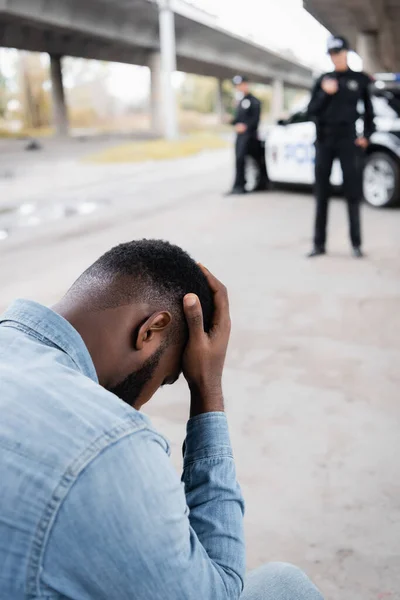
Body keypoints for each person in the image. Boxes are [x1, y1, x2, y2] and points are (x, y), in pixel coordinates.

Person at [0, 239, 324, 600]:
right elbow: (219, 593)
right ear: (151, 330)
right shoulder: (110, 444)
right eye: (169, 377)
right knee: (284, 584)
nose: (149, 397)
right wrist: (207, 391)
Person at [307, 35, 375, 258]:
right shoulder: (322, 79)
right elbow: (311, 111)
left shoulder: (360, 80)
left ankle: (356, 244)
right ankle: (319, 244)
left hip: (348, 140)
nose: (336, 57)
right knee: (321, 194)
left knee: (352, 192)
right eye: (332, 53)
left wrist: (366, 135)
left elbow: (369, 111)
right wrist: (325, 94)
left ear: (347, 52)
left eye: (339, 52)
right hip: (325, 141)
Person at [227, 75, 268, 195]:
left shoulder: (254, 101)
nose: (239, 88)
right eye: (237, 86)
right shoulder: (239, 102)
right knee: (239, 161)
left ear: (246, 84)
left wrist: (245, 126)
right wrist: (231, 121)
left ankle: (261, 183)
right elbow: (238, 119)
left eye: (241, 84)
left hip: (250, 137)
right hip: (240, 137)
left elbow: (255, 120)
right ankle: (239, 185)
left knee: (256, 161)